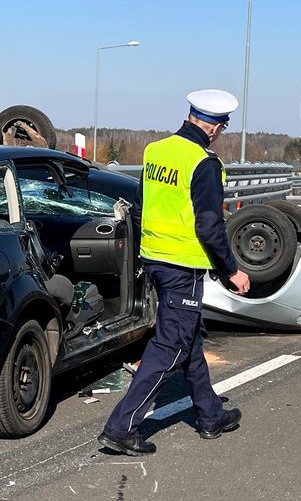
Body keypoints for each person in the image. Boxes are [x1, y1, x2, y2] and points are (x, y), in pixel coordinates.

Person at [97, 89, 250, 456]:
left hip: (155, 259)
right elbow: (210, 226)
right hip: (184, 266)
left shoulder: (156, 151)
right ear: (216, 127)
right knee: (170, 345)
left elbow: (140, 206)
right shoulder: (204, 162)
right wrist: (231, 270)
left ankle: (210, 415)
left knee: (189, 337)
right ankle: (122, 427)